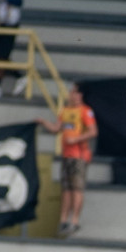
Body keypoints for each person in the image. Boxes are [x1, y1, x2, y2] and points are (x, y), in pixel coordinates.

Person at [35, 83, 98, 236]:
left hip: (79, 156)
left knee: (77, 188)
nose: (72, 95)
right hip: (67, 155)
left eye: (75, 92)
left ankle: (74, 220)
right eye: (72, 92)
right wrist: (43, 122)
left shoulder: (85, 111)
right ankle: (63, 220)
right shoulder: (65, 111)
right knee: (66, 189)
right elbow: (57, 129)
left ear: (81, 95)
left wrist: (76, 139)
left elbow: (93, 131)